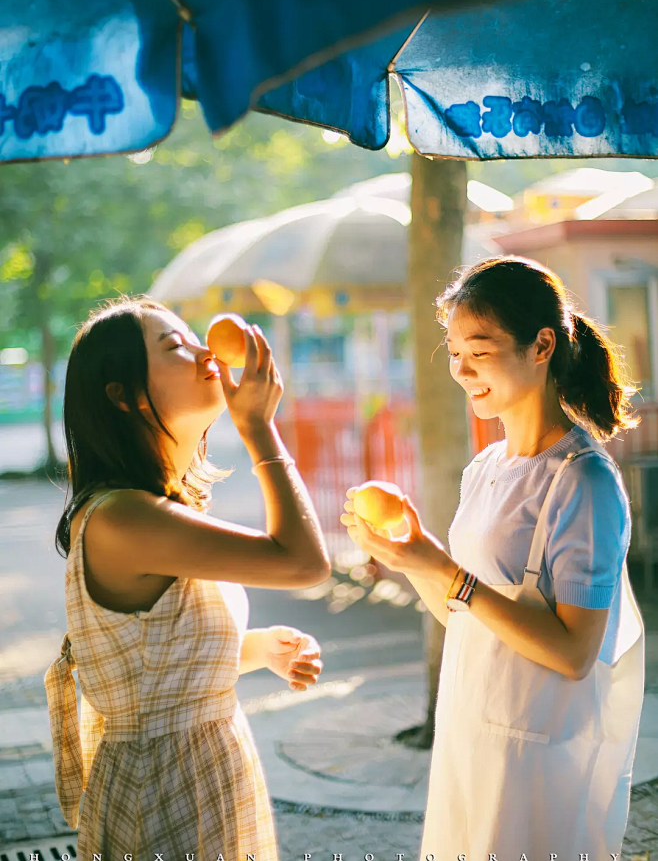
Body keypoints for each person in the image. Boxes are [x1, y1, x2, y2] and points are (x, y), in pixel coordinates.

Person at [342, 255, 646, 859]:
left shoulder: (583, 481)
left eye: (477, 350)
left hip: (539, 758)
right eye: (452, 350)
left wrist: (448, 570)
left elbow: (574, 653)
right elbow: (463, 613)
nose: (460, 369)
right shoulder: (486, 467)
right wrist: (408, 558)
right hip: (470, 734)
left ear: (541, 346)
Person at [44, 295, 332, 860]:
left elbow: (153, 664)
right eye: (176, 347)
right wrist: (258, 427)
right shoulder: (124, 517)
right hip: (167, 785)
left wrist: (254, 649)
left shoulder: (149, 507)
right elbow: (305, 564)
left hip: (198, 770)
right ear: (123, 396)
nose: (206, 354)